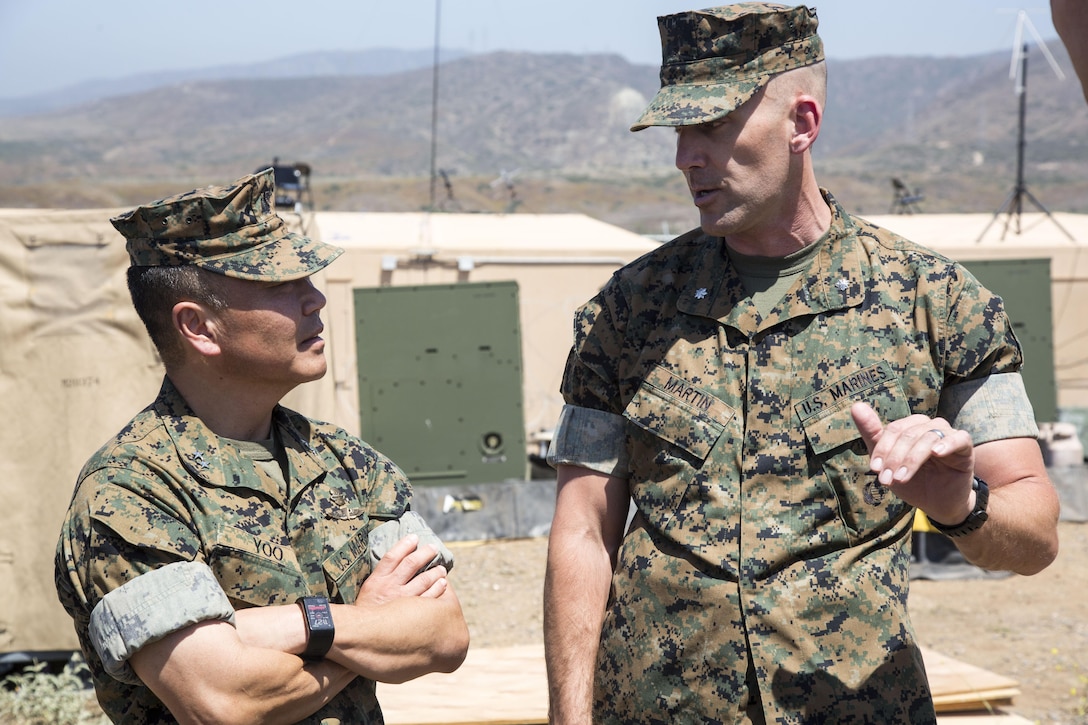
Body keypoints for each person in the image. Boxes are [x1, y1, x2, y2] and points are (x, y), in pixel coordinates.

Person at [543, 4, 1061, 723]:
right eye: (680, 130)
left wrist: (957, 504)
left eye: (714, 126)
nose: (686, 157)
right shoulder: (626, 312)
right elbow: (580, 533)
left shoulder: (935, 302)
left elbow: (1035, 532)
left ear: (802, 123)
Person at [55, 169, 469, 724]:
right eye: (280, 286)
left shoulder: (349, 463)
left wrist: (299, 626)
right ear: (198, 327)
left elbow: (443, 636)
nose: (314, 299)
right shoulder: (129, 494)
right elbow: (224, 703)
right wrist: (367, 619)